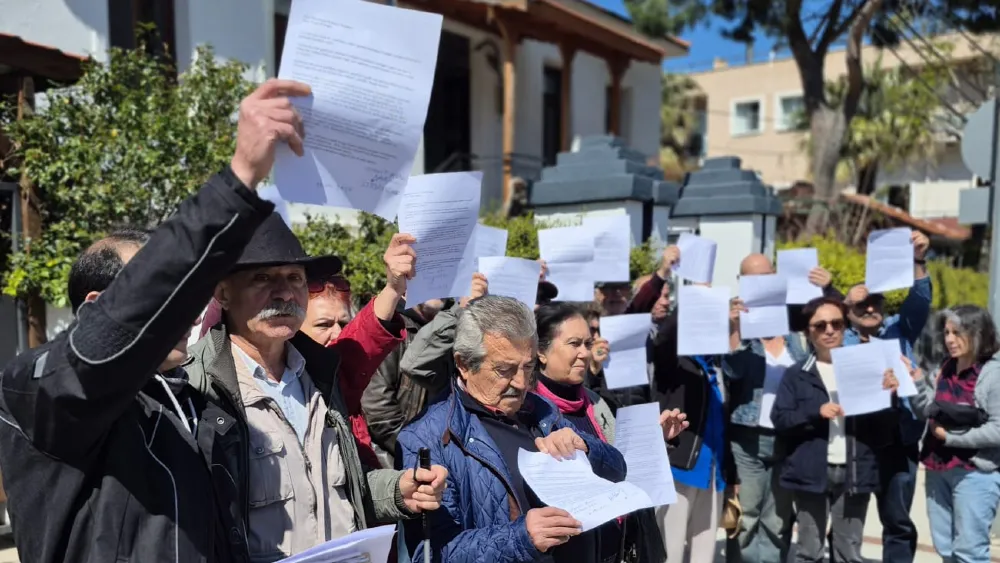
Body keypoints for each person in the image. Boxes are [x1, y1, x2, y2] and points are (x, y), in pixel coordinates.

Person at [0, 78, 311, 563]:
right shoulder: (43, 390)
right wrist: (238, 181)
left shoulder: (196, 406)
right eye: (167, 294)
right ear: (96, 308)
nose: (187, 308)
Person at [184, 210, 448, 560]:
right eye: (263, 278)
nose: (285, 293)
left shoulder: (320, 378)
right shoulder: (196, 389)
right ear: (223, 293)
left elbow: (343, 489)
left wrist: (399, 490)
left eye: (295, 277)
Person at [396, 296, 628, 563]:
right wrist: (522, 538)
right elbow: (432, 554)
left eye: (528, 367)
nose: (520, 383)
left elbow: (617, 470)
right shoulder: (427, 438)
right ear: (463, 364)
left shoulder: (541, 410)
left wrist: (585, 447)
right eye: (504, 370)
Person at [533, 303, 684, 563]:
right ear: (541, 352)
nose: (584, 353)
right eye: (573, 343)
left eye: (587, 343)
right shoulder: (528, 411)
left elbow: (623, 468)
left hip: (619, 545)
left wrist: (654, 441)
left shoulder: (600, 404)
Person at [722, 253, 836, 563]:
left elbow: (836, 337)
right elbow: (732, 373)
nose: (760, 284)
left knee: (777, 519)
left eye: (766, 276)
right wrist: (734, 329)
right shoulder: (737, 323)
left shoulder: (797, 331)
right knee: (746, 517)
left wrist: (828, 290)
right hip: (747, 439)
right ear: (742, 282)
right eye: (752, 278)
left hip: (789, 437)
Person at [771, 296, 898, 563]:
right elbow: (780, 419)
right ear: (808, 332)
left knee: (848, 553)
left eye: (836, 323)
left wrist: (889, 395)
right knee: (809, 552)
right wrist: (815, 413)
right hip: (810, 470)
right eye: (820, 325)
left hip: (855, 471)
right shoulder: (797, 373)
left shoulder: (866, 369)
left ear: (844, 327)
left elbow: (884, 431)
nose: (829, 330)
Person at [842, 229, 931, 563]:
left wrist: (918, 260)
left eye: (874, 300)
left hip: (900, 440)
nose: (869, 307)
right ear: (846, 310)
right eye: (860, 303)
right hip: (857, 443)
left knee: (898, 523)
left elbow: (920, 300)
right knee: (849, 523)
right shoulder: (838, 341)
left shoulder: (898, 330)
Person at [650, 278, 737, 563]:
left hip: (713, 472)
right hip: (681, 468)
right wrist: (691, 298)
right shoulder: (676, 362)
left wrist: (730, 473)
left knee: (704, 553)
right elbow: (663, 339)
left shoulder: (718, 364)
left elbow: (725, 425)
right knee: (671, 552)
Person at [908, 305, 1000, 563]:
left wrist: (952, 438)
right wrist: (915, 381)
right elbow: (927, 411)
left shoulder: (993, 375)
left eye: (957, 332)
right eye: (947, 332)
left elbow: (998, 429)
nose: (949, 339)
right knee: (945, 548)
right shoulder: (944, 368)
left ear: (978, 333)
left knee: (969, 552)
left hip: (974, 473)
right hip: (938, 469)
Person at [362, 294, 449, 467]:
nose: (438, 288)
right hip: (389, 467)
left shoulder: (451, 332)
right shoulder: (390, 327)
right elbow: (378, 412)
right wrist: (425, 454)